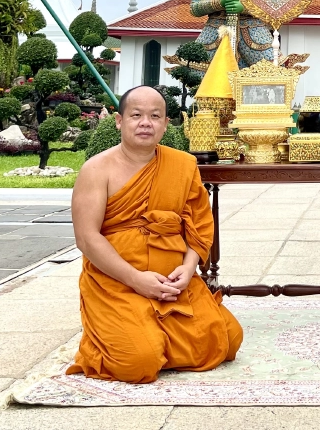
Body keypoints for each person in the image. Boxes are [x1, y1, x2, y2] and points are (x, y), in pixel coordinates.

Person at [68, 86, 243, 383]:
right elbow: (87, 238)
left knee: (227, 339)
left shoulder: (183, 165)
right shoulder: (96, 170)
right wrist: (135, 279)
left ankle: (156, 338)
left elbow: (199, 226)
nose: (145, 122)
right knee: (138, 362)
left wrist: (188, 269)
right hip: (117, 282)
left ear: (165, 123)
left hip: (172, 280)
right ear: (119, 121)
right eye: (136, 115)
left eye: (155, 116)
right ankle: (114, 337)